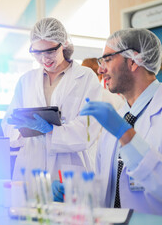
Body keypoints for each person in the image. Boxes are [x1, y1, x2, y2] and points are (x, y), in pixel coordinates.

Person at [55, 28, 162, 215]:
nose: (100, 69)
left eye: (108, 59)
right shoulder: (116, 118)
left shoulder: (118, 123)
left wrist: (125, 134)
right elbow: (108, 190)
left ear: (134, 61)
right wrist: (77, 193)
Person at [1, 17, 102, 186]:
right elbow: (7, 125)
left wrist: (50, 131)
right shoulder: (26, 80)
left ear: (63, 44)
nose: (44, 59)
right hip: (31, 170)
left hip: (69, 171)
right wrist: (20, 128)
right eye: (37, 53)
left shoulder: (86, 77)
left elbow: (88, 130)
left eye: (50, 51)